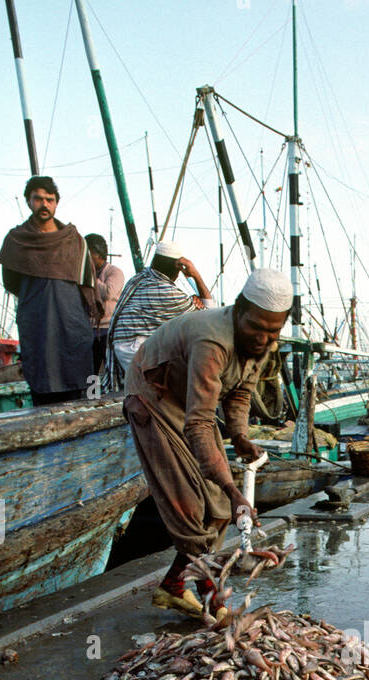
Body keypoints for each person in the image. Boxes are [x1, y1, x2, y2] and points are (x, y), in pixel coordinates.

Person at [123, 267, 293, 620]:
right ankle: (214, 602)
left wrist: (240, 436)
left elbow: (241, 393)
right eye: (256, 327)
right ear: (239, 310)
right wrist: (235, 491)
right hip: (153, 394)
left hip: (186, 399)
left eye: (273, 331)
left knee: (216, 507)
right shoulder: (212, 340)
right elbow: (199, 424)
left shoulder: (263, 346)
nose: (263, 338)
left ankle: (173, 586)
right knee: (190, 506)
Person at [0, 175, 99, 405]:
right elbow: (11, 283)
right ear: (28, 201)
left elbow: (87, 283)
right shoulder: (16, 241)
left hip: (72, 322)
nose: (44, 204)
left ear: (56, 202)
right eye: (38, 199)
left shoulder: (75, 241)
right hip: (37, 323)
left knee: (82, 379)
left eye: (50, 200)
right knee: (42, 378)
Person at [105, 240, 212, 391]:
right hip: (137, 350)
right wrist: (195, 276)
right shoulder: (165, 291)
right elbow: (209, 315)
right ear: (178, 268)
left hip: (126, 347)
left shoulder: (139, 279)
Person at [85, 233, 124, 374]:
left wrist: (90, 275)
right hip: (89, 329)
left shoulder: (115, 272)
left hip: (108, 329)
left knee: (111, 368)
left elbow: (108, 293)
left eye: (90, 254)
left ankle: (113, 394)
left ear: (98, 253)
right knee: (91, 370)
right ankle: (91, 395)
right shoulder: (84, 274)